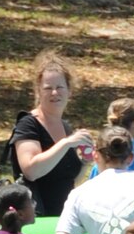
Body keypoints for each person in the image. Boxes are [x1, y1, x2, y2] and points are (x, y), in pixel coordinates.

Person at [8, 52, 95, 218]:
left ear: (70, 91)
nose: (55, 93)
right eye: (48, 88)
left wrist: (85, 162)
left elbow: (69, 181)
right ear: (38, 92)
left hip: (62, 219)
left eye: (60, 87)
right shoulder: (28, 124)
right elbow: (31, 171)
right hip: (36, 220)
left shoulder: (66, 127)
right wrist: (66, 143)